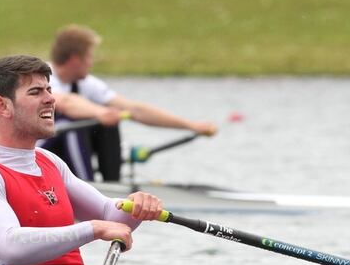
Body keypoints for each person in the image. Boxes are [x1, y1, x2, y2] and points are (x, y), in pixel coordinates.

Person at [0, 55, 244, 265]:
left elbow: (109, 214)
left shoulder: (49, 162)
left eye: (49, 90)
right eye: (36, 92)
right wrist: (93, 229)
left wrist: (136, 206)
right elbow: (10, 247)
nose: (51, 99)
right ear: (3, 106)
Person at [41, 25, 218, 182]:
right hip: (38, 152)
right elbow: (65, 102)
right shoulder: (43, 78)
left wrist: (191, 125)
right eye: (89, 57)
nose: (92, 62)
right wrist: (100, 113)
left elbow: (135, 109)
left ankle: (112, 184)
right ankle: (86, 185)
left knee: (110, 118)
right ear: (75, 60)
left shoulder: (85, 83)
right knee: (73, 123)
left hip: (63, 154)